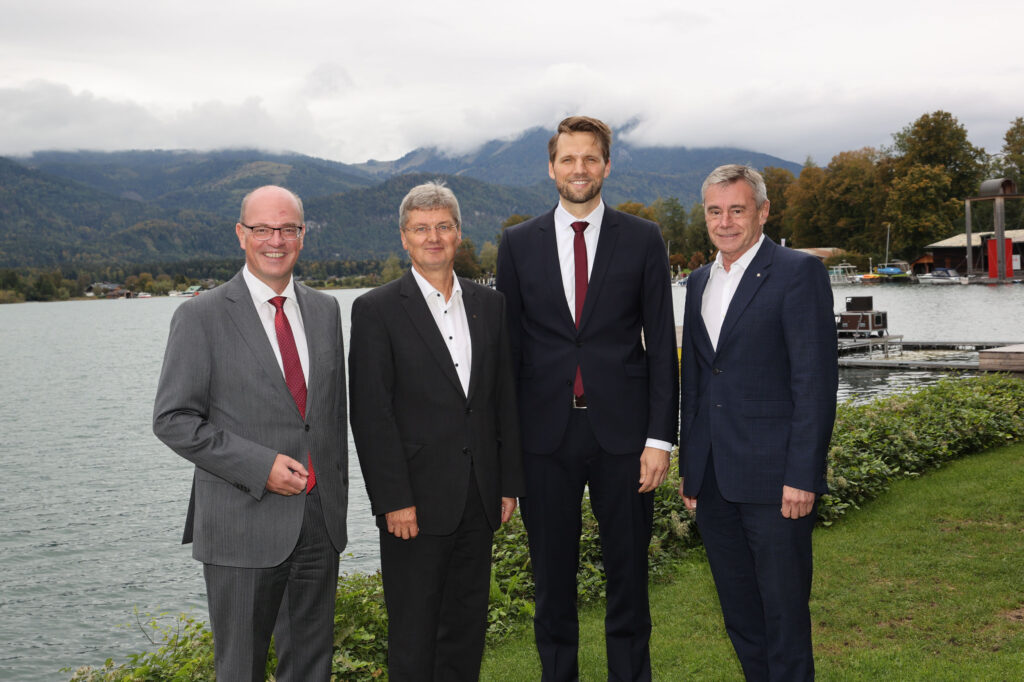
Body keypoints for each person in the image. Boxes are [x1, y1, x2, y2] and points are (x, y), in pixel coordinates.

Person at [496, 116, 678, 681]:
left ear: (605, 165)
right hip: (544, 438)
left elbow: (660, 340)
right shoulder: (518, 243)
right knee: (551, 580)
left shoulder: (643, 238)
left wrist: (659, 439)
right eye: (568, 159)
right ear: (551, 168)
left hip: (625, 437)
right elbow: (509, 356)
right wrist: (509, 453)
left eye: (590, 158)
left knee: (628, 576)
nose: (580, 169)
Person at [153, 185, 348, 681]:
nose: (275, 240)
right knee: (240, 670)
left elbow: (327, 413)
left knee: (311, 666)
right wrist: (260, 467)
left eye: (287, 229)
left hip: (318, 523)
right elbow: (173, 419)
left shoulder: (325, 311)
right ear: (242, 235)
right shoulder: (201, 316)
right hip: (241, 525)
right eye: (262, 229)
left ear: (302, 236)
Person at [349, 181, 525, 681]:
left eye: (443, 227)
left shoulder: (490, 305)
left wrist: (508, 482)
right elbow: (370, 415)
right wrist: (392, 500)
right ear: (403, 238)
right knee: (413, 631)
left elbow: (501, 400)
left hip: (478, 494)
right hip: (415, 504)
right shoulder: (376, 309)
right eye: (421, 229)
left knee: (466, 627)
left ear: (458, 234)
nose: (433, 237)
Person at [678, 165, 838, 681]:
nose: (725, 222)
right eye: (715, 211)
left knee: (784, 616)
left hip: (775, 482)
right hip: (714, 482)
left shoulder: (797, 272)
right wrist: (690, 468)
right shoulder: (699, 280)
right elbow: (699, 384)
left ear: (763, 212)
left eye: (737, 210)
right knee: (742, 617)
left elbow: (814, 384)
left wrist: (801, 476)